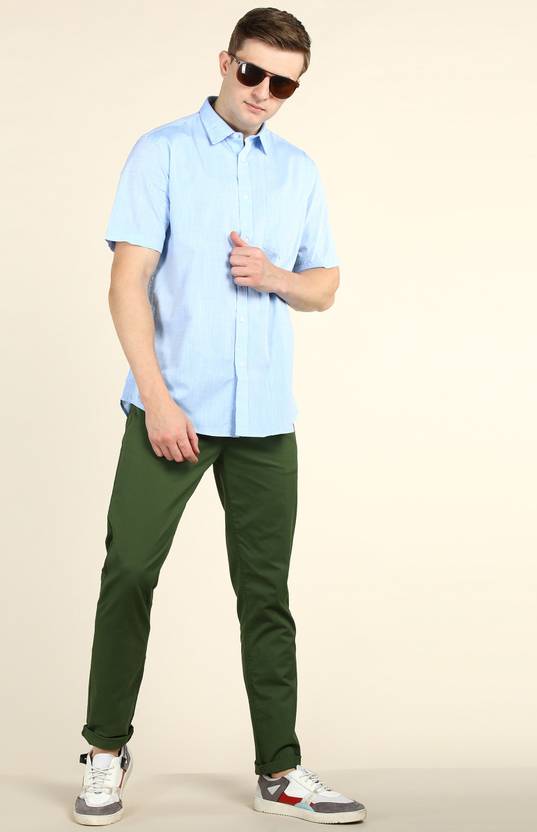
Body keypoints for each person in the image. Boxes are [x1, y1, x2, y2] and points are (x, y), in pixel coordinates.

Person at [73, 7, 366, 826]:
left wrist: (276, 277)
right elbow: (126, 283)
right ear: (224, 62)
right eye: (252, 72)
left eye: (283, 84)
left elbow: (323, 286)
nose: (263, 92)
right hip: (174, 410)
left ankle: (281, 770)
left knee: (265, 593)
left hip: (265, 417)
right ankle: (103, 750)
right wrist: (158, 398)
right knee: (130, 571)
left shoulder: (297, 172)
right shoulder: (161, 152)